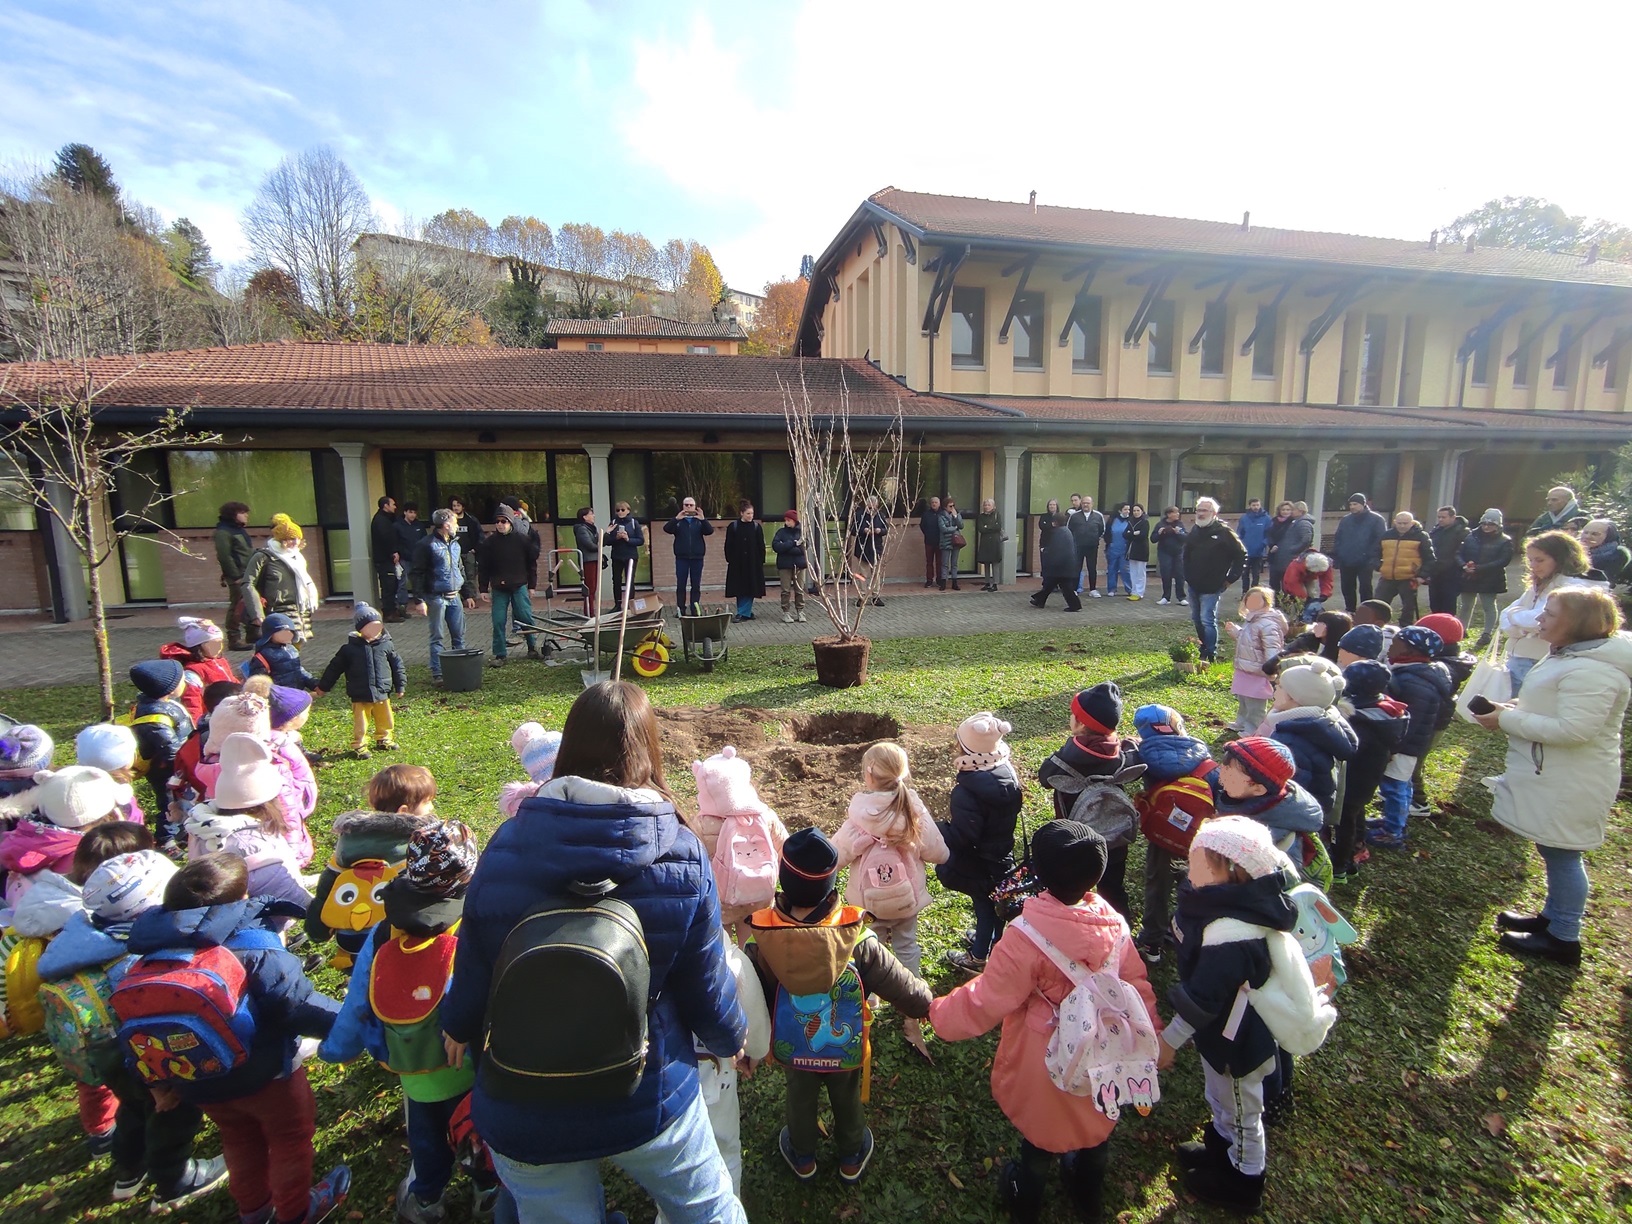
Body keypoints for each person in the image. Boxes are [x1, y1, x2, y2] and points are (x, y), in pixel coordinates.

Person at [439, 681, 749, 1223]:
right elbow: (704, 981)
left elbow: (476, 963)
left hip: (523, 1097)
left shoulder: (506, 846)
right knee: (708, 1210)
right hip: (648, 1091)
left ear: (569, 747)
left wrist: (458, 1024)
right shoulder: (682, 853)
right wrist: (730, 1037)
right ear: (649, 750)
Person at [930, 819, 1161, 1223]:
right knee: (1097, 1125)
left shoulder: (1026, 935)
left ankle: (1025, 1201)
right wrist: (1152, 1032)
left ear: (1038, 873)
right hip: (1105, 1051)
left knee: (1040, 1140)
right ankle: (1088, 1196)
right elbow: (1136, 985)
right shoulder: (1115, 924)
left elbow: (987, 998)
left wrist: (939, 1014)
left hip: (1048, 1055)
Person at [125, 854, 350, 1224]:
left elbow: (137, 1021)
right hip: (267, 1076)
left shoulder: (150, 953)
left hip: (198, 1078)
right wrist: (354, 1024)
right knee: (290, 1139)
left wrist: (158, 1082)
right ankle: (295, 1212)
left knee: (238, 1139)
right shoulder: (254, 946)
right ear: (242, 897)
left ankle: (255, 1211)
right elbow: (297, 1006)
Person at [319, 820, 497, 1224]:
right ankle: (486, 1193)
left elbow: (358, 999)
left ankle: (426, 1201)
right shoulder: (474, 925)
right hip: (470, 1062)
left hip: (411, 1062)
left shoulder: (385, 928)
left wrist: (338, 1048)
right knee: (476, 1132)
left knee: (427, 1140)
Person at [39, 845, 233, 1213]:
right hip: (143, 1052)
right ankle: (175, 1180)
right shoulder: (132, 957)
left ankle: (129, 1170)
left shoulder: (83, 938)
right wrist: (159, 1084)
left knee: (132, 1107)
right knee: (172, 1112)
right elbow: (148, 1019)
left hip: (104, 1051)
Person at [743, 827, 932, 1185]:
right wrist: (926, 1004)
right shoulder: (855, 934)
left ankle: (802, 1156)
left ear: (784, 882)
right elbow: (896, 980)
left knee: (799, 1096)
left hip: (792, 1044)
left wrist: (748, 1044)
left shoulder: (762, 937)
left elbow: (748, 995)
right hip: (844, 1044)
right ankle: (851, 1155)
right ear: (831, 887)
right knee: (846, 1096)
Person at [1472, 587, 1631, 966]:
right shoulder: (1570, 654)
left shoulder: (1593, 671)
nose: (1540, 618)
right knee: (1552, 846)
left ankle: (1564, 936)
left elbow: (1575, 729)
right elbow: (1551, 705)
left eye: (1551, 613)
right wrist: (1511, 706)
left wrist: (1507, 719)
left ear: (1577, 623)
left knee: (1563, 854)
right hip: (1556, 772)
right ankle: (1551, 917)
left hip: (1574, 778)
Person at [1159, 816, 1302, 1215]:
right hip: (1218, 1035)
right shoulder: (1218, 904)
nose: (1190, 871)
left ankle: (1243, 1181)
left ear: (1233, 872)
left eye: (1199, 864)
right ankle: (1220, 1147)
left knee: (1242, 1112)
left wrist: (1169, 1042)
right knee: (1220, 1097)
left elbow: (1203, 998)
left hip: (1238, 1044)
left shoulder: (1233, 936)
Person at [832, 741, 950, 985]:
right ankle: (912, 995)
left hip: (868, 904)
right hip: (906, 900)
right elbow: (938, 853)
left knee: (870, 949)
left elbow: (835, 856)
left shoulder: (859, 816)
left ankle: (872, 997)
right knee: (907, 946)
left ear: (869, 776)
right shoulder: (914, 812)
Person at [1037, 684, 1142, 918]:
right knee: (1113, 889)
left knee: (1071, 890)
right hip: (1115, 837)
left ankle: (1071, 925)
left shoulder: (1066, 759)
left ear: (1081, 723)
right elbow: (1136, 762)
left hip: (1076, 839)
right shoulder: (1119, 754)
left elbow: (1045, 777)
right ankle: (1119, 929)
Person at [1130, 705, 1218, 965]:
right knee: (1194, 883)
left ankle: (1152, 942)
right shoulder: (1201, 755)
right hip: (1200, 834)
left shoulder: (1144, 758)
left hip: (1164, 834)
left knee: (1157, 885)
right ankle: (1191, 936)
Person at [937, 713, 1023, 974]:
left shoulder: (967, 792)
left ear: (967, 749)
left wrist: (939, 829)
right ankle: (994, 942)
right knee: (997, 901)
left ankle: (977, 957)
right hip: (1002, 853)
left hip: (980, 860)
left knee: (985, 905)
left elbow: (964, 837)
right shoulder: (1006, 772)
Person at [689, 744, 789, 943]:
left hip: (723, 900)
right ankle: (751, 958)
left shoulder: (700, 824)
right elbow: (785, 848)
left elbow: (691, 861)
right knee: (753, 942)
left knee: (722, 944)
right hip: (759, 895)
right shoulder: (765, 815)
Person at [1364, 626, 1452, 851]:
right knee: (1401, 784)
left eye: (1396, 644)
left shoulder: (1415, 683)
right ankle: (1393, 822)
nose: (1390, 647)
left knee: (1394, 787)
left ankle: (1393, 832)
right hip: (1405, 744)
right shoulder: (1414, 672)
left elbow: (1410, 721)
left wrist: (1393, 747)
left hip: (1404, 746)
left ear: (1411, 650)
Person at [1332, 661, 1408, 883]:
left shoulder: (1358, 719)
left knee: (1343, 821)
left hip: (1352, 777)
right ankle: (1357, 849)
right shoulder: (1389, 711)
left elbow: (1345, 748)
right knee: (1356, 813)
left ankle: (1340, 866)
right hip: (1370, 776)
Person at [1258, 658, 1357, 826]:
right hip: (1315, 808)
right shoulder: (1321, 724)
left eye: (1280, 687)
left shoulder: (1290, 740)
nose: (1275, 688)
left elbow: (1288, 790)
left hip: (1293, 817)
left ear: (1294, 698)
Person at [1499, 530, 1596, 693]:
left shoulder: (1573, 588)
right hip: (1520, 656)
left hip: (1541, 659)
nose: (1533, 565)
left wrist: (1515, 616)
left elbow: (1539, 620)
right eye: (1530, 560)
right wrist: (1518, 628)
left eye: (1540, 560)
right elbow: (1504, 615)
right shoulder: (1540, 584)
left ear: (1561, 559)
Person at [315, 603, 405, 758]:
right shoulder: (349, 650)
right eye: (370, 627)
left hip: (382, 690)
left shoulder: (387, 645)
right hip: (359, 692)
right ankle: (360, 744)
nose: (375, 630)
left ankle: (384, 738)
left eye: (378, 626)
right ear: (360, 629)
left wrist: (400, 685)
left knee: (385, 718)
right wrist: (323, 687)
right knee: (361, 721)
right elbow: (334, 669)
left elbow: (397, 665)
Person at [127, 660, 195, 847]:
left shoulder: (162, 704)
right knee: (169, 802)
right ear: (168, 688)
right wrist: (185, 767)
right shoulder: (156, 718)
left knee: (182, 799)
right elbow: (170, 749)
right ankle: (166, 839)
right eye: (182, 680)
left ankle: (181, 829)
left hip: (178, 765)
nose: (185, 683)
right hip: (166, 769)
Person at [407, 508, 477, 689]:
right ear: (446, 525)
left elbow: (460, 569)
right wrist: (419, 599)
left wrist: (467, 594)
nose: (457, 526)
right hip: (436, 596)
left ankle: (460, 671)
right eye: (455, 522)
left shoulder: (455, 544)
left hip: (455, 596)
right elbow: (417, 573)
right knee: (437, 636)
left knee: (459, 636)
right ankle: (438, 674)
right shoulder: (426, 545)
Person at [1181, 498, 1247, 665]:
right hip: (1194, 584)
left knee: (1207, 619)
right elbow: (1186, 554)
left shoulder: (1224, 532)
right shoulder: (1195, 530)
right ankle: (1203, 647)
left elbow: (1241, 555)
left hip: (1213, 585)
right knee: (1197, 619)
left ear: (1214, 513)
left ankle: (1211, 653)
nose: (1201, 514)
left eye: (1205, 510)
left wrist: (1231, 578)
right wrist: (1186, 574)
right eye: (1198, 510)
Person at [242, 515, 322, 643]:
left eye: (298, 538)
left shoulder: (297, 557)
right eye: (291, 539)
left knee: (295, 650)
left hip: (300, 612)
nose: (295, 542)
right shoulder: (263, 557)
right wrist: (257, 614)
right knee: (280, 650)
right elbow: (248, 584)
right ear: (281, 540)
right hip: (277, 612)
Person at [479, 510, 542, 666]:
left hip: (519, 585)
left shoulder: (522, 540)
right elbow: (484, 567)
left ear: (510, 523)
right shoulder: (489, 543)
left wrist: (532, 586)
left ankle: (532, 647)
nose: (500, 524)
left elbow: (531, 564)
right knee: (498, 620)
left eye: (504, 521)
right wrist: (483, 588)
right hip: (499, 588)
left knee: (525, 617)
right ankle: (500, 654)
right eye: (497, 521)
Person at [1225, 588, 1287, 736]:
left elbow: (1272, 648)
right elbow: (1248, 639)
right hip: (1245, 667)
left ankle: (1253, 728)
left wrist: (1271, 668)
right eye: (1248, 599)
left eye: (1256, 600)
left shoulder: (1268, 624)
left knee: (1255, 703)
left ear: (1266, 602)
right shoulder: (1252, 619)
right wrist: (1236, 632)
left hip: (1258, 671)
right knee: (1244, 698)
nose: (1251, 603)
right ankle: (1242, 722)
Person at [160, 617, 240, 724]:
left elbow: (232, 680)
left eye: (220, 643)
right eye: (212, 644)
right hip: (211, 718)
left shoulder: (221, 661)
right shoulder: (193, 671)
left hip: (231, 711)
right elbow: (191, 700)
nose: (218, 647)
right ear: (198, 647)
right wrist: (197, 725)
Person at [1457, 509, 1515, 649]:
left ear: (1498, 525)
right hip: (1469, 576)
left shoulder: (1505, 541)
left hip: (1491, 577)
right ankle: (1461, 630)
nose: (1487, 526)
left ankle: (1487, 633)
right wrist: (1464, 565)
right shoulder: (1469, 536)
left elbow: (1503, 560)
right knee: (1466, 605)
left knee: (1488, 605)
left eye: (1491, 524)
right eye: (1484, 523)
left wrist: (1480, 568)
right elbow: (1458, 553)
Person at [1372, 511, 1434, 627]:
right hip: (1387, 577)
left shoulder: (1421, 536)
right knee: (1378, 604)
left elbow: (1430, 559)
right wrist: (1379, 566)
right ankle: (1377, 626)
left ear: (1412, 523)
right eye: (1399, 523)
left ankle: (1405, 627)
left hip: (1409, 578)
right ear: (1395, 522)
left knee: (1408, 607)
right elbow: (1375, 553)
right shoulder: (1386, 535)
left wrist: (1422, 576)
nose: (1402, 526)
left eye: (1405, 523)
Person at [1330, 493, 1387, 612]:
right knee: (1347, 587)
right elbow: (1338, 538)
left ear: (1363, 504)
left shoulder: (1376, 520)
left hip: (1366, 560)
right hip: (1346, 559)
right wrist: (1338, 555)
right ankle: (1350, 610)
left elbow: (1380, 539)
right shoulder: (1346, 520)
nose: (1352, 507)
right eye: (1350, 504)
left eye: (1355, 504)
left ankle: (1366, 611)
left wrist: (1373, 557)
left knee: (1365, 587)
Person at [214, 502, 255, 650]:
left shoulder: (238, 530)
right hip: (238, 576)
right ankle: (234, 638)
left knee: (250, 604)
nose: (246, 515)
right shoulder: (223, 532)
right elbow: (225, 556)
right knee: (237, 606)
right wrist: (235, 576)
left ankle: (253, 634)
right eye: (243, 513)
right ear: (233, 514)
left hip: (247, 573)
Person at [664, 495, 714, 612]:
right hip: (682, 558)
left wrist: (703, 519)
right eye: (686, 505)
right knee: (681, 584)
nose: (689, 507)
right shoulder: (679, 521)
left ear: (695, 507)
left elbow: (709, 531)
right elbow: (667, 529)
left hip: (697, 557)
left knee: (695, 585)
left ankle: (694, 608)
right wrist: (676, 518)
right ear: (683, 506)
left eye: (691, 505)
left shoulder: (699, 521)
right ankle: (681, 609)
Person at [245, 614, 318, 690]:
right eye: (283, 631)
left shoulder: (292, 649)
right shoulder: (263, 655)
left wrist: (312, 682)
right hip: (278, 695)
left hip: (296, 693)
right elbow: (258, 681)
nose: (288, 634)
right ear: (270, 634)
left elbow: (298, 670)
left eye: (290, 631)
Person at [723, 499, 766, 622]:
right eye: (748, 513)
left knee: (750, 587)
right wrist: (730, 559)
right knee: (740, 588)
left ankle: (743, 613)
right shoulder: (733, 527)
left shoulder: (756, 527)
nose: (750, 516)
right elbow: (728, 545)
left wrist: (760, 561)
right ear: (741, 513)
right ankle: (745, 611)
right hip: (738, 563)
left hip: (752, 563)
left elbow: (761, 545)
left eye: (752, 513)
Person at [1030, 513, 1083, 611]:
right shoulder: (1066, 531)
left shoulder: (1058, 533)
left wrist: (1045, 551)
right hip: (1066, 565)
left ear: (1055, 522)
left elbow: (1055, 549)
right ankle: (1039, 600)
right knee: (1050, 584)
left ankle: (1075, 605)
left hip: (1060, 566)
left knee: (1065, 587)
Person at [1426, 506, 1469, 615]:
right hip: (1435, 573)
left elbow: (1462, 552)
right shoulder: (1436, 531)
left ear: (1453, 517)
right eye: (1439, 517)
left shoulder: (1462, 532)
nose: (1440, 520)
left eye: (1443, 517)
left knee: (1448, 605)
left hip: (1452, 573)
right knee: (1434, 604)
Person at [604, 500, 645, 611]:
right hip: (617, 556)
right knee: (616, 580)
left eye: (623, 510)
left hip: (630, 556)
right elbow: (607, 541)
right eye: (618, 510)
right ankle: (617, 605)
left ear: (628, 511)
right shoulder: (613, 522)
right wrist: (616, 538)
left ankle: (630, 604)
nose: (620, 512)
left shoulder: (634, 523)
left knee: (630, 580)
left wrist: (628, 539)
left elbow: (641, 540)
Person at [370, 495, 404, 622]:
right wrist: (393, 552)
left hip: (386, 559)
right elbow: (386, 539)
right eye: (393, 504)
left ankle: (393, 610)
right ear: (386, 506)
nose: (395, 507)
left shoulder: (387, 519)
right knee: (388, 586)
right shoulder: (381, 521)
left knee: (392, 584)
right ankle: (389, 613)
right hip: (384, 560)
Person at [850, 494, 889, 602]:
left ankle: (876, 596)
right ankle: (862, 596)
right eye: (870, 503)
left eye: (874, 503)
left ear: (877, 505)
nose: (872, 506)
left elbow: (886, 529)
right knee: (862, 574)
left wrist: (880, 531)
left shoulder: (880, 515)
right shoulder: (859, 515)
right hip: (863, 548)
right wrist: (863, 530)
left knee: (876, 574)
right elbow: (852, 529)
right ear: (866, 504)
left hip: (876, 548)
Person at [771, 509, 808, 623]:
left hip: (799, 565)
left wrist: (786, 548)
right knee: (785, 590)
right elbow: (776, 546)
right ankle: (786, 612)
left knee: (799, 589)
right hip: (785, 565)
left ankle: (800, 611)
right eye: (786, 520)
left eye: (789, 520)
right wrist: (793, 544)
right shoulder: (781, 532)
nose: (786, 522)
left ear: (794, 521)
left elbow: (803, 548)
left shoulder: (802, 532)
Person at [1069, 495, 1106, 597]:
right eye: (1084, 503)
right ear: (1081, 504)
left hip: (1092, 547)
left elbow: (1102, 530)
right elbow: (1069, 529)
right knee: (1076, 568)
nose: (1085, 505)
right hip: (1078, 546)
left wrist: (1095, 539)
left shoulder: (1098, 516)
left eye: (1088, 503)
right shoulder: (1074, 516)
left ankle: (1093, 589)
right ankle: (1074, 589)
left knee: (1092, 568)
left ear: (1092, 504)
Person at [446, 496, 482, 589]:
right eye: (454, 506)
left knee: (470, 577)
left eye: (458, 505)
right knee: (455, 577)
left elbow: (479, 536)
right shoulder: (448, 521)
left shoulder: (471, 520)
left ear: (463, 506)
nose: (456, 508)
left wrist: (475, 549)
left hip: (469, 553)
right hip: (453, 554)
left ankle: (471, 596)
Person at [1237, 498, 1273, 593]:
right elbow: (1240, 533)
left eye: (1257, 505)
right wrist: (1240, 545)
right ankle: (1245, 592)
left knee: (1256, 574)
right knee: (1244, 574)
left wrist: (1263, 544)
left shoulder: (1266, 518)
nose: (1256, 507)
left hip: (1259, 552)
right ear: (1250, 506)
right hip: (1246, 551)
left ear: (1260, 505)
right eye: (1253, 505)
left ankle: (1254, 593)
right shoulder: (1244, 518)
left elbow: (1269, 534)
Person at [1581, 518, 1630, 586]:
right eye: (1585, 532)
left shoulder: (1618, 554)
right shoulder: (1574, 551)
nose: (1587, 536)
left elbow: (1608, 580)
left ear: (1609, 536)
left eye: (1595, 534)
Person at [1154, 506, 1188, 604]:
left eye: (1178, 512)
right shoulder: (1160, 524)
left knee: (1180, 575)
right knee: (1166, 574)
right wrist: (1159, 533)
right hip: (1164, 552)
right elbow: (1153, 539)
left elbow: (1186, 538)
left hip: (1178, 552)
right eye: (1175, 512)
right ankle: (1166, 597)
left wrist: (1178, 533)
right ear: (1169, 514)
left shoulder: (1180, 524)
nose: (1178, 514)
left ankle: (1181, 597)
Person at [572, 506, 602, 615]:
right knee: (590, 587)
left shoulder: (591, 528)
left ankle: (590, 610)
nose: (593, 515)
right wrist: (599, 547)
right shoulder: (582, 529)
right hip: (588, 560)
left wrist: (607, 533)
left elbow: (597, 540)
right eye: (591, 514)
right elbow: (589, 545)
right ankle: (589, 611)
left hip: (593, 559)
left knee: (593, 587)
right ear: (584, 517)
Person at [1263, 501, 1295, 591]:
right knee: (1274, 580)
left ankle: (1285, 598)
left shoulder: (1293, 523)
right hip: (1274, 554)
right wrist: (1272, 545)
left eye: (1288, 510)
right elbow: (1269, 535)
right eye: (1283, 510)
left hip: (1287, 555)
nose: (1285, 512)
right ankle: (1275, 597)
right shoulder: (1274, 521)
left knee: (1286, 580)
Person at [975, 497, 1005, 592]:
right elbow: (981, 528)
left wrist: (987, 527)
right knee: (986, 562)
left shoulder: (997, 515)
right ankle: (987, 583)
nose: (986, 506)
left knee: (995, 563)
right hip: (985, 542)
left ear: (993, 506)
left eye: (988, 505)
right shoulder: (981, 517)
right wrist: (990, 527)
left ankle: (995, 583)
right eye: (985, 505)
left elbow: (998, 527)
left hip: (995, 542)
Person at [1124, 503, 1151, 600]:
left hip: (1141, 550)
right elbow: (1125, 534)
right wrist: (1134, 533)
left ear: (1142, 511)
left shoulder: (1145, 522)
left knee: (1140, 573)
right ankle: (1134, 591)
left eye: (1138, 510)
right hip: (1131, 550)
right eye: (1134, 511)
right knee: (1133, 572)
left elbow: (1142, 536)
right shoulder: (1130, 521)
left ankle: (1139, 593)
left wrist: (1131, 534)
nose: (1136, 512)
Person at [1104, 503, 1132, 597]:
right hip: (1113, 548)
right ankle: (1111, 589)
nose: (1127, 511)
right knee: (1112, 569)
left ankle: (1129, 589)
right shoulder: (1112, 520)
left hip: (1125, 549)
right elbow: (1107, 534)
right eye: (1125, 509)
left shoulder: (1130, 521)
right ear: (1120, 510)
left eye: (1128, 509)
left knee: (1125, 569)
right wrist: (1109, 543)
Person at [938, 496, 964, 591]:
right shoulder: (941, 516)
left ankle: (954, 583)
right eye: (950, 506)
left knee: (954, 563)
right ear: (945, 507)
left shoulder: (957, 514)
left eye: (953, 506)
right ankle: (943, 583)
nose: (952, 508)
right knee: (945, 563)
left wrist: (956, 517)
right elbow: (943, 529)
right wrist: (955, 528)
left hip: (956, 541)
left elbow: (961, 526)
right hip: (946, 541)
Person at [919, 495, 944, 587]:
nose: (934, 504)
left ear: (939, 504)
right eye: (932, 502)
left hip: (940, 541)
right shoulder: (926, 514)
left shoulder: (943, 514)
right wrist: (927, 533)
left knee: (939, 562)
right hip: (929, 541)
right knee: (929, 562)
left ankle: (939, 580)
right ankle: (929, 580)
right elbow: (922, 526)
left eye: (936, 502)